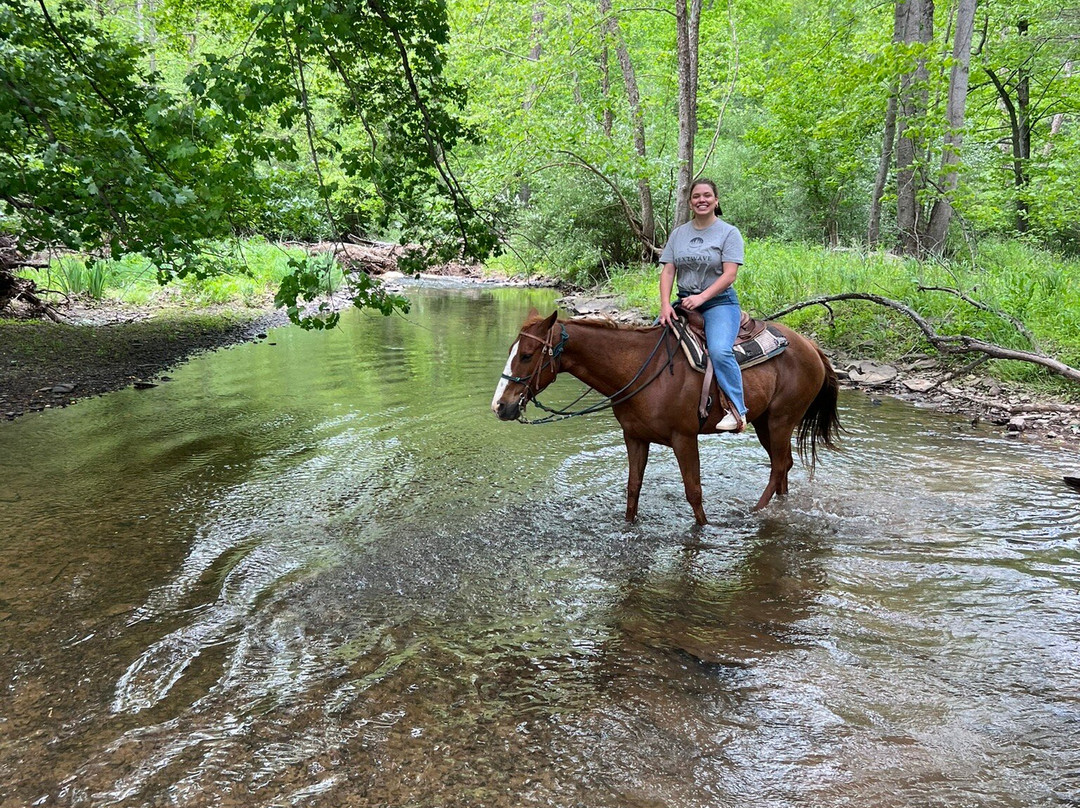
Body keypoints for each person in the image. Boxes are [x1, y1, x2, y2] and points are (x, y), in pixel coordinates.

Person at [658, 178, 747, 432]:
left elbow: (729, 275)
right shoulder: (679, 234)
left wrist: (702, 298)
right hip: (685, 302)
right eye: (696, 196)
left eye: (707, 195)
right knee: (651, 342)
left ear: (716, 201)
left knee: (719, 351)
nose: (702, 200)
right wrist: (665, 305)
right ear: (689, 202)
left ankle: (737, 411)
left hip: (719, 303)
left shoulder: (728, 233)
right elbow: (667, 272)